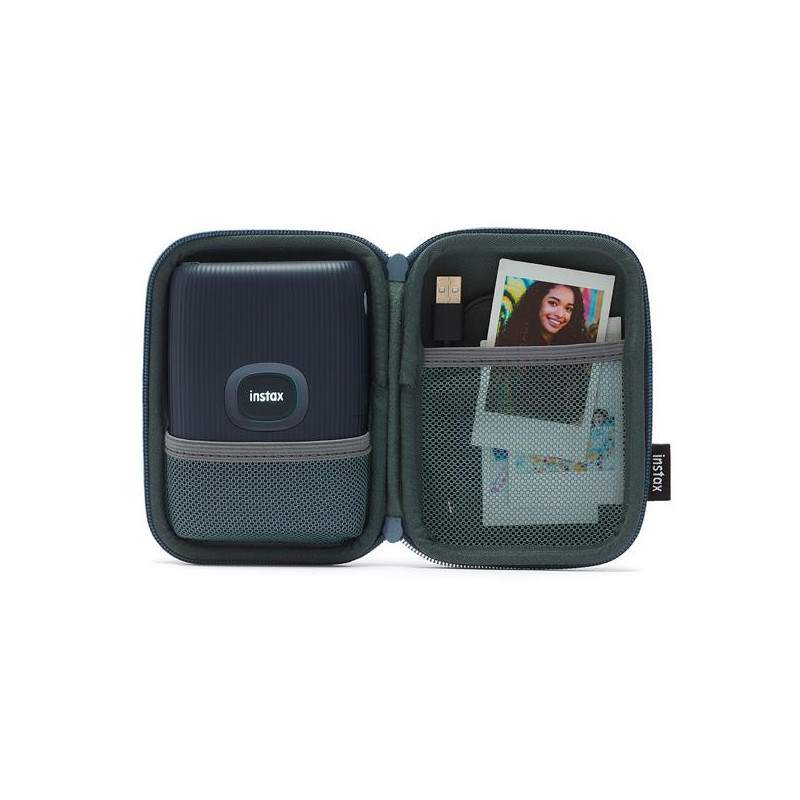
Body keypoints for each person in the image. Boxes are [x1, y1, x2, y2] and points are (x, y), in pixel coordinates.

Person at [496, 282, 591, 346]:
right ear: (537, 301)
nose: (560, 314)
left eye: (568, 308)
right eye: (553, 303)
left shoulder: (577, 345)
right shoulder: (511, 343)